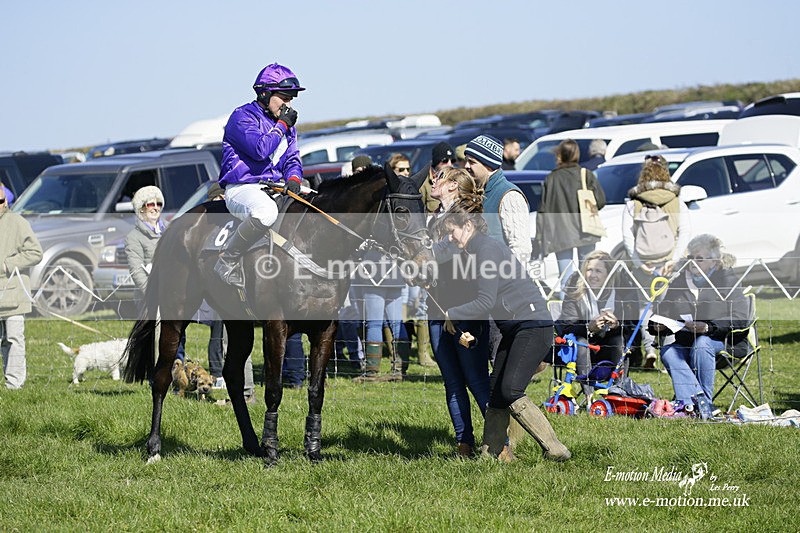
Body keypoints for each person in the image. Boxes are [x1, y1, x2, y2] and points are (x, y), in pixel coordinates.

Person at [442, 199, 570, 462]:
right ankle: (490, 454)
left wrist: (452, 313)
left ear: (467, 226)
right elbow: (488, 302)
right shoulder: (478, 250)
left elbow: (485, 301)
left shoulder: (486, 250)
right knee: (496, 392)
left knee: (510, 390)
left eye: (452, 231)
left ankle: (556, 449)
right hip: (515, 328)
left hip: (532, 326)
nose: (450, 238)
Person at [215, 63, 305, 288]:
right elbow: (259, 150)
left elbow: (292, 159)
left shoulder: (287, 126)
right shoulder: (241, 117)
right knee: (266, 212)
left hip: (273, 187)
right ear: (265, 94)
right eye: (284, 98)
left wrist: (294, 179)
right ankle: (227, 260)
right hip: (242, 188)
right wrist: (282, 125)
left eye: (291, 99)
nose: (288, 105)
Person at [428, 168, 491, 457]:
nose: (433, 179)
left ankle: (499, 442)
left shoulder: (468, 217)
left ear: (453, 185)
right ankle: (464, 443)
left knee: (476, 379)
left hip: (465, 308)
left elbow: (448, 253)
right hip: (436, 306)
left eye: (440, 176)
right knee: (452, 381)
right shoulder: (433, 218)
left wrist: (422, 257)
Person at [649, 234, 749, 417]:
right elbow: (663, 312)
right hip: (687, 340)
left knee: (702, 343)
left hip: (725, 341)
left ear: (714, 262)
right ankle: (696, 406)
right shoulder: (679, 281)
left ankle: (700, 404)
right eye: (691, 257)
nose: (693, 262)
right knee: (669, 351)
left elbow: (741, 317)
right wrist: (657, 326)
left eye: (699, 258)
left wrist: (709, 327)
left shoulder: (727, 279)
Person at [622, 155, 690, 368]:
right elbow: (685, 232)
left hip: (644, 264)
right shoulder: (676, 201)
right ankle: (669, 352)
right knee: (670, 306)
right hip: (668, 262)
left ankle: (650, 349)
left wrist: (638, 262)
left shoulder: (633, 203)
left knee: (646, 308)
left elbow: (627, 236)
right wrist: (674, 260)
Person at [558, 251, 637, 399]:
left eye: (598, 271)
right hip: (582, 351)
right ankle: (589, 396)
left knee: (619, 341)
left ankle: (618, 393)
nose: (593, 275)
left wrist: (617, 325)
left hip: (609, 350)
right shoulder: (575, 292)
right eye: (589, 270)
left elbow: (632, 331)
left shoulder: (621, 294)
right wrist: (589, 328)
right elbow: (566, 326)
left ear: (608, 274)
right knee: (581, 342)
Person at [536, 138, 606, 296]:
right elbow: (601, 201)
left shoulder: (552, 178)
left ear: (560, 155)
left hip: (560, 234)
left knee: (565, 279)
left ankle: (566, 311)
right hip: (586, 230)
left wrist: (540, 238)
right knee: (588, 277)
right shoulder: (585, 175)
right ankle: (588, 309)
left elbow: (543, 210)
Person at [0, 186, 42, 389]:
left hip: (13, 294)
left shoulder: (17, 222)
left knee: (14, 338)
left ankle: (14, 384)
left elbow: (35, 253)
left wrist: (7, 265)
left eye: (1, 201)